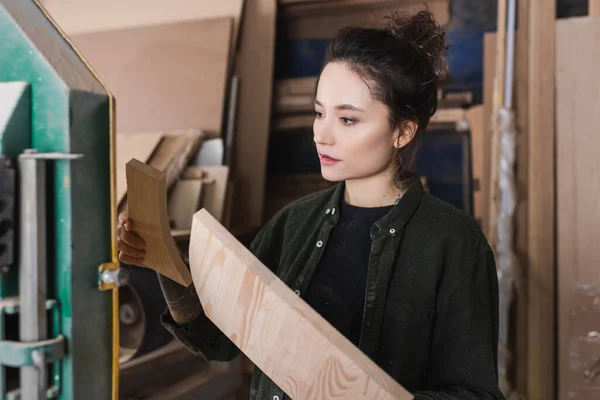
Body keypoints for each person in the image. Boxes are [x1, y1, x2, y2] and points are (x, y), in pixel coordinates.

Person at [117, 9, 504, 400]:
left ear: (402, 131)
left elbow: (475, 395)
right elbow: (220, 341)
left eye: (348, 120)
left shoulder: (453, 243)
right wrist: (163, 261)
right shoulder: (293, 224)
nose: (322, 134)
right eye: (319, 113)